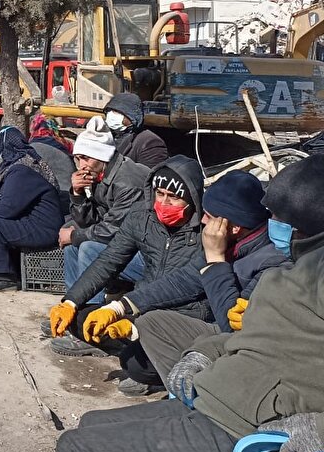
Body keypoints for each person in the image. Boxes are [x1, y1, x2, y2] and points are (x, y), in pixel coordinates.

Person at [52, 151, 324, 452]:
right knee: (90, 423)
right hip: (226, 403)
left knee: (76, 451)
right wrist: (200, 352)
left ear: (307, 219)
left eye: (276, 215)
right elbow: (250, 334)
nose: (270, 222)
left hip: (248, 432)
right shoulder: (306, 262)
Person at [86, 169, 288, 395]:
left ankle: (200, 398)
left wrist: (216, 260)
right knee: (149, 326)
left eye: (209, 216)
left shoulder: (272, 261)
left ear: (234, 226)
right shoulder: (231, 242)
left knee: (142, 359)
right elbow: (182, 281)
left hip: (241, 344)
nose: (202, 220)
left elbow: (230, 325)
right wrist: (121, 306)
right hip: (216, 330)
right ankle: (181, 390)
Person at [49, 155, 208, 358]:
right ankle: (138, 350)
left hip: (183, 314)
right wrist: (70, 301)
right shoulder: (142, 216)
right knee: (80, 320)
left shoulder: (207, 232)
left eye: (174, 197)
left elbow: (187, 284)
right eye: (160, 194)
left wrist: (122, 308)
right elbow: (110, 259)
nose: (164, 202)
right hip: (141, 306)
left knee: (135, 365)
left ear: (192, 199)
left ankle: (147, 355)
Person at [61, 116, 150, 302]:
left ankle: (90, 309)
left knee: (89, 249)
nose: (82, 166)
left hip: (147, 253)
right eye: (78, 159)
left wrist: (75, 236)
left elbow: (113, 230)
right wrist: (77, 194)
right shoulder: (100, 174)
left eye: (86, 158)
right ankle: (72, 304)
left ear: (102, 156)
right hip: (127, 245)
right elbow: (91, 221)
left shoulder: (127, 181)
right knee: (72, 247)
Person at [0, 127, 63, 289]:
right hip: (34, 222)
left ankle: (4, 275)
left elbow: (7, 208)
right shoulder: (24, 163)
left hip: (43, 227)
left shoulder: (22, 170)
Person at [103, 92, 168, 168]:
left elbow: (147, 174)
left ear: (132, 117)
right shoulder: (104, 135)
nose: (111, 115)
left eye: (117, 112)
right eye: (109, 110)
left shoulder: (150, 143)